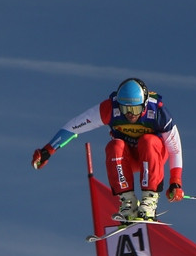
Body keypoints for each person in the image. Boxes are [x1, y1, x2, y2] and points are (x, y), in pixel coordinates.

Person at [32, 78, 185, 222]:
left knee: (148, 140)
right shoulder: (111, 108)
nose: (130, 114)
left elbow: (175, 149)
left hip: (153, 157)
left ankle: (149, 201)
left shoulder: (158, 112)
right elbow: (75, 126)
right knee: (114, 146)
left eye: (136, 109)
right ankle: (128, 203)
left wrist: (175, 182)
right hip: (128, 159)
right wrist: (48, 150)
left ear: (144, 105)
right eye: (126, 109)